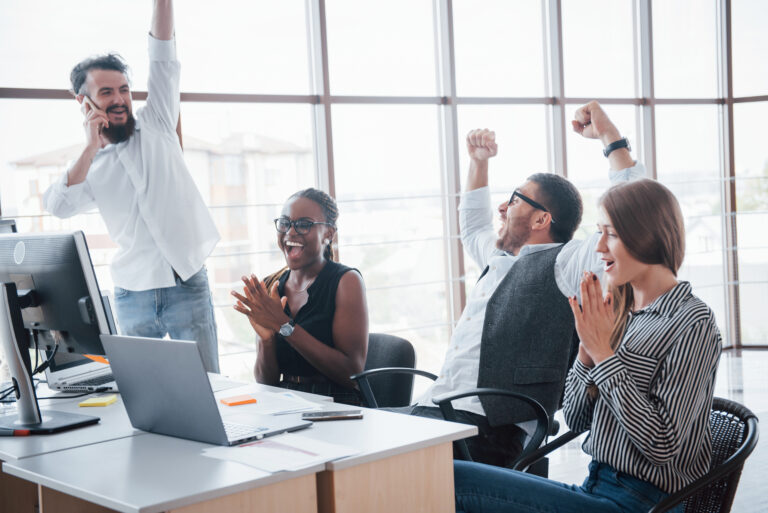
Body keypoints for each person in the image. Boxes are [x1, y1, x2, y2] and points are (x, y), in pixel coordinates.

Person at [388, 101, 645, 468]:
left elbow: (635, 216)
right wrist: (479, 163)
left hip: (487, 429)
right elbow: (473, 226)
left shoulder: (567, 261)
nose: (502, 209)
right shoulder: (499, 258)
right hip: (436, 409)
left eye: (513, 200)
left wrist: (610, 138)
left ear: (542, 219)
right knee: (349, 445)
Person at [453, 178, 722, 513]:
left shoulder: (691, 321)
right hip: (595, 487)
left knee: (454, 482)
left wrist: (605, 356)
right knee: (443, 476)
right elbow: (579, 419)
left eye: (611, 234)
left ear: (646, 236)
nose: (599, 248)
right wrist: (586, 353)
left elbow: (662, 444)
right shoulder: (622, 314)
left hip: (641, 503)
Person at [42, 1, 221, 372]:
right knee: (146, 392)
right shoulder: (90, 165)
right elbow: (57, 205)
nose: (120, 99)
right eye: (106, 92)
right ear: (83, 101)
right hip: (130, 294)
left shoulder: (157, 122)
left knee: (208, 388)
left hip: (186, 283)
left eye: (124, 89)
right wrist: (91, 147)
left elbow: (163, 54)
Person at [231, 188, 368, 405]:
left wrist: (284, 325)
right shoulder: (271, 286)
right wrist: (267, 340)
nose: (290, 232)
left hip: (337, 403)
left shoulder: (346, 281)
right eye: (285, 223)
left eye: (304, 224)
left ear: (329, 234)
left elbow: (351, 374)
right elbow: (266, 381)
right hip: (284, 402)